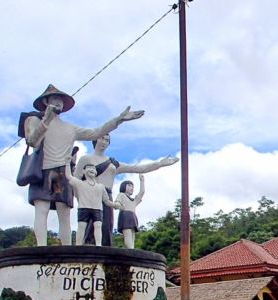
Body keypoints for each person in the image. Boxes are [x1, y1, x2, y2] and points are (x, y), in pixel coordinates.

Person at [23, 84, 145, 246]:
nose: (58, 103)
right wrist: (46, 120)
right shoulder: (33, 120)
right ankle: (41, 248)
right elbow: (32, 141)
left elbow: (96, 132)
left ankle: (66, 249)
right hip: (42, 171)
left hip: (63, 172)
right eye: (55, 99)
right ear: (46, 101)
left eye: (61, 100)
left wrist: (119, 120)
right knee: (42, 210)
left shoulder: (70, 128)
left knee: (64, 213)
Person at [74, 133, 178, 246]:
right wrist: (81, 199)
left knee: (106, 226)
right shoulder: (85, 159)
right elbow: (76, 181)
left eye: (107, 140)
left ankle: (103, 251)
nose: (104, 142)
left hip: (107, 195)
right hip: (89, 195)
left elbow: (137, 168)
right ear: (95, 140)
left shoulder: (113, 163)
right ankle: (85, 249)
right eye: (102, 138)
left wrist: (160, 164)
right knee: (88, 226)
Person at [64, 163, 122, 245]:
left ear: (96, 172)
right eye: (89, 168)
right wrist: (67, 163)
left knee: (98, 226)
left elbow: (106, 201)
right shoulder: (80, 183)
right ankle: (78, 245)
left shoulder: (101, 187)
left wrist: (115, 205)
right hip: (83, 208)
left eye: (94, 169)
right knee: (81, 226)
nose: (92, 170)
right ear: (83, 171)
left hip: (97, 209)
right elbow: (69, 176)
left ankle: (98, 245)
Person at [115, 175, 145, 249]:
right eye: (129, 185)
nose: (131, 188)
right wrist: (117, 205)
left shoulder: (134, 201)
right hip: (125, 216)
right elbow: (117, 203)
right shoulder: (121, 195)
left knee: (132, 236)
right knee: (127, 234)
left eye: (132, 186)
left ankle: (132, 249)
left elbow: (142, 192)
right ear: (124, 186)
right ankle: (130, 250)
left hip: (132, 217)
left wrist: (142, 181)